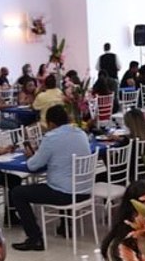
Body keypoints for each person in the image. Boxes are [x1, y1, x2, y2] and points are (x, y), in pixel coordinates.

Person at [9, 105, 91, 251]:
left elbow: (33, 166)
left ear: (51, 123)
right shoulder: (80, 133)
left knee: (17, 192)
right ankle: (64, 226)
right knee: (61, 178)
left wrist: (31, 156)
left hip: (64, 193)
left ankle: (34, 238)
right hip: (84, 190)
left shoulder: (51, 138)